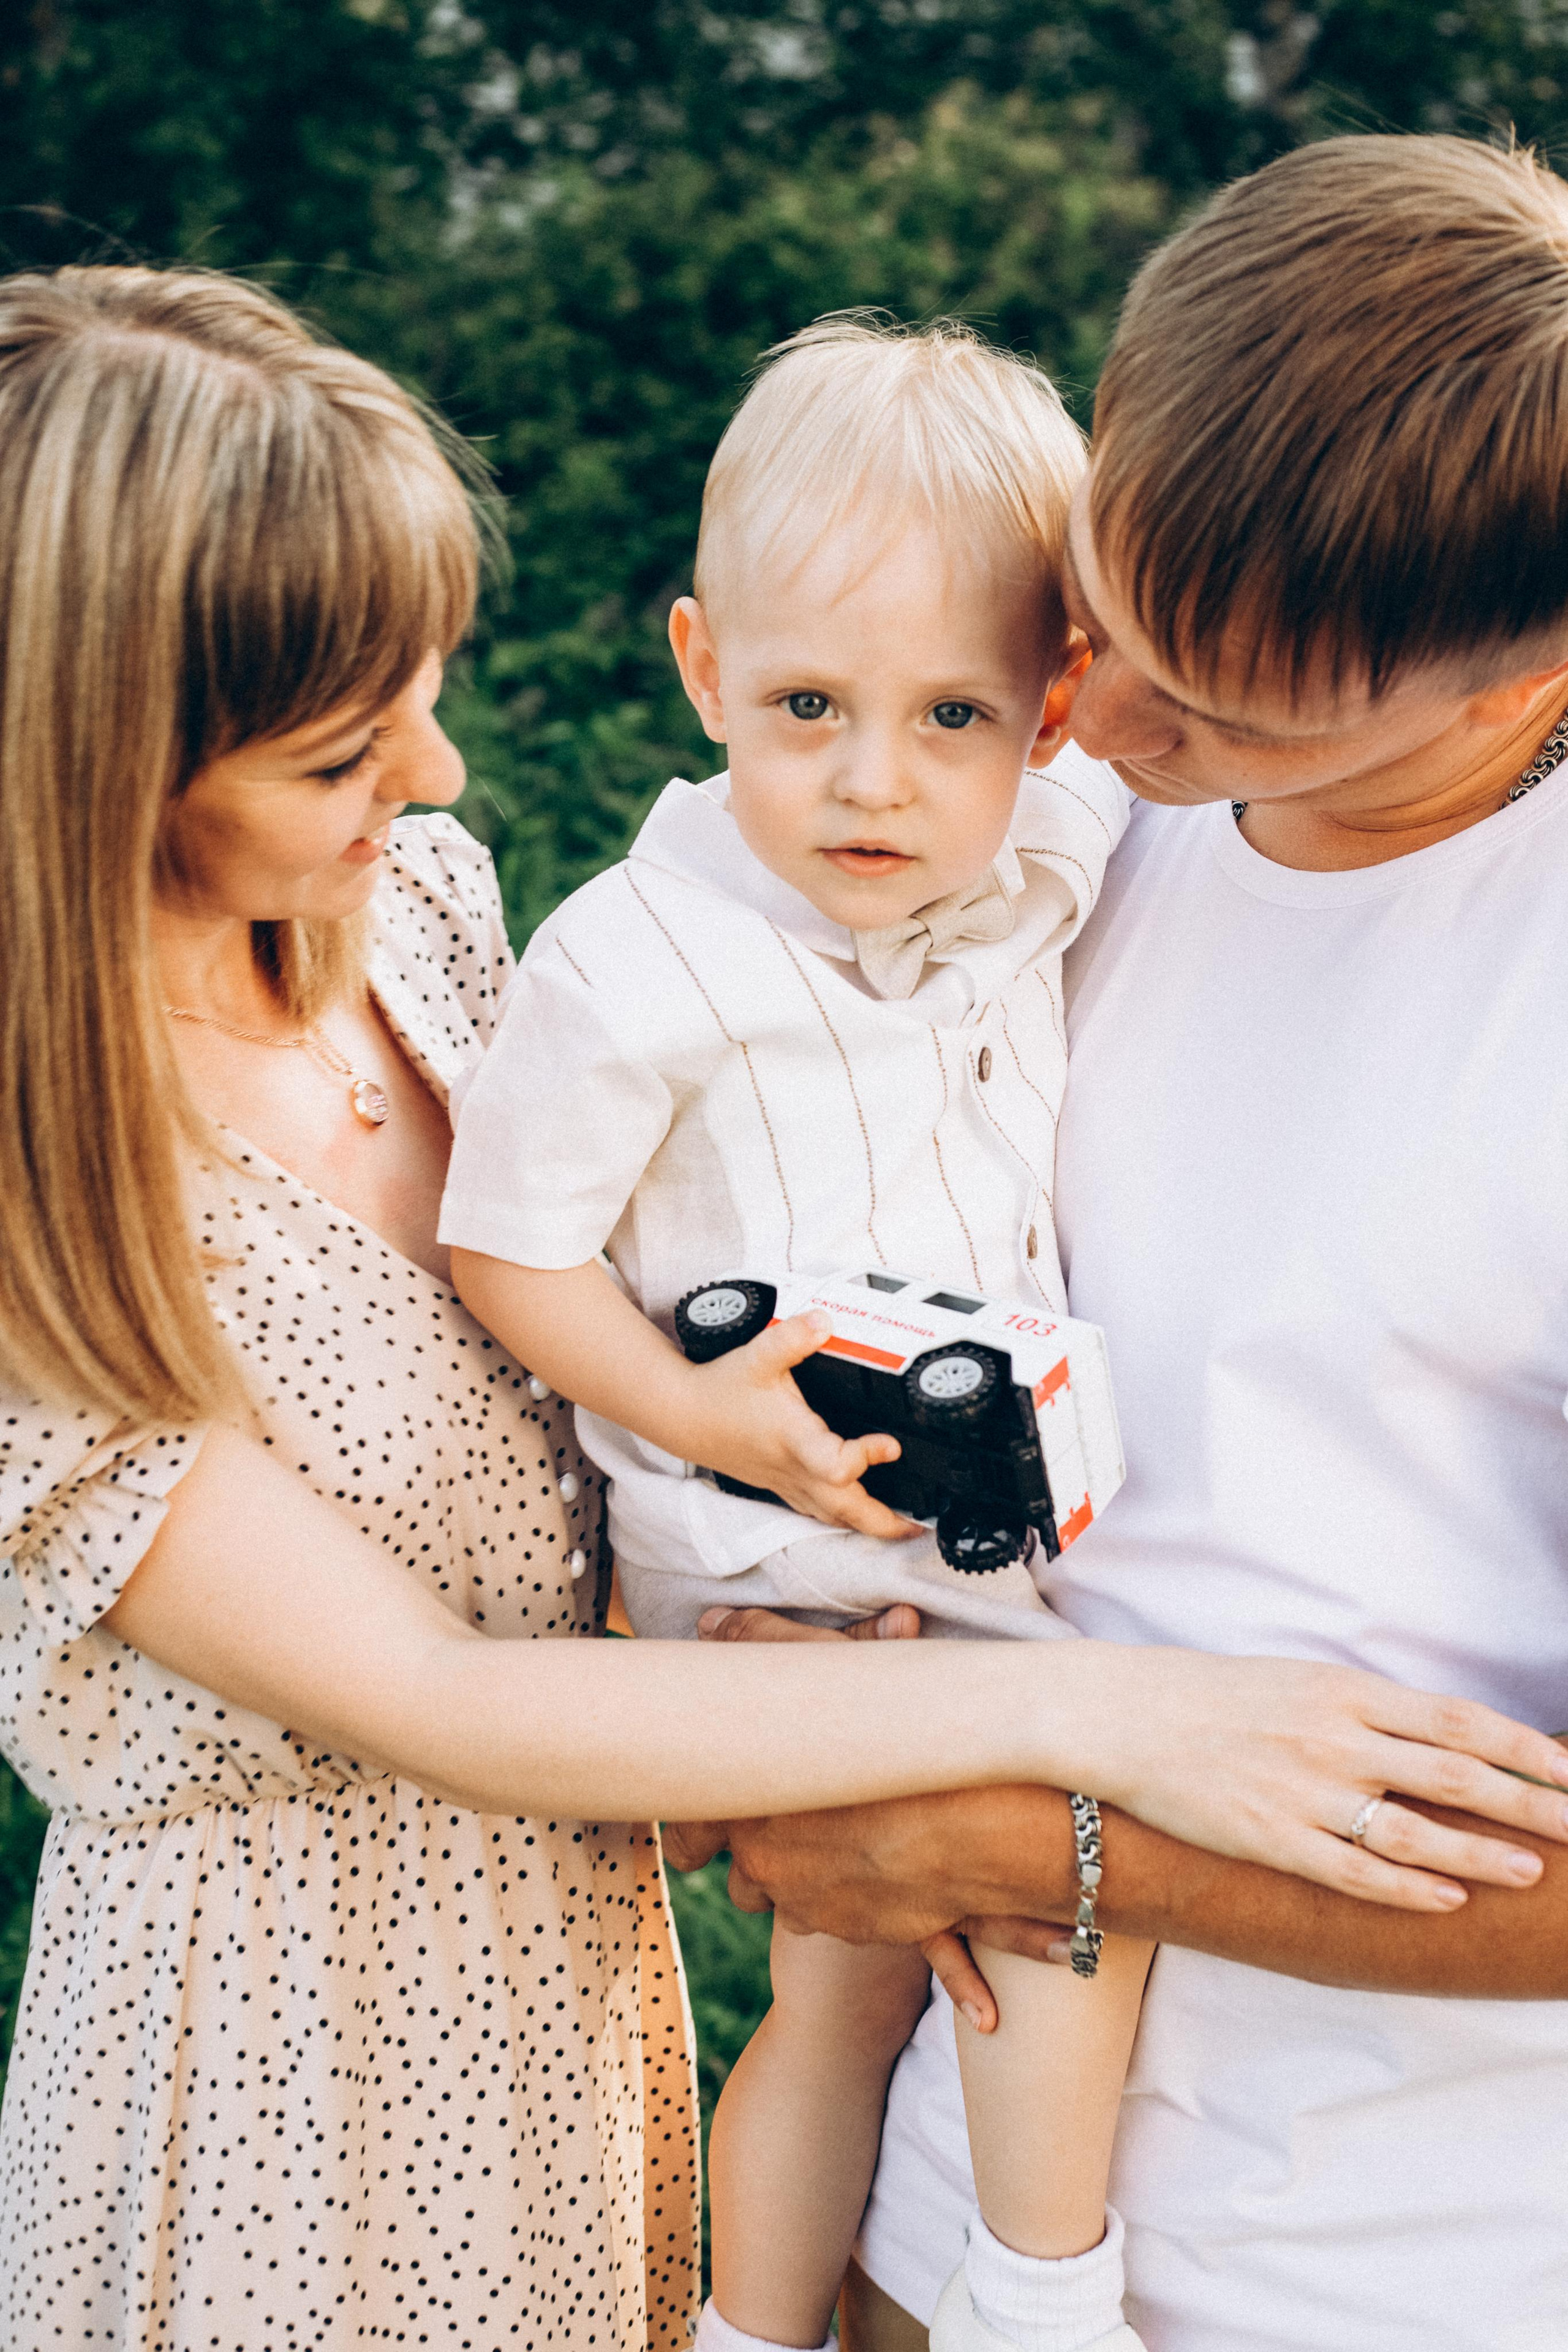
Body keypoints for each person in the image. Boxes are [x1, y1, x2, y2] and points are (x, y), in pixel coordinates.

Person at [6, 267, 1559, 2352]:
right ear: (84, 764)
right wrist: (1106, 1728)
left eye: (426, 686)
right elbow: (446, 1696)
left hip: (588, 1995)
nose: (447, 775)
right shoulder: (42, 1206)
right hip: (293, 2081)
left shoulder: (420, 919)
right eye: (341, 747)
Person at [696, 133, 1568, 2352]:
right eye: (1104, 609)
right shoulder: (1033, 827)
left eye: (1233, 708)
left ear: (1521, 676)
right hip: (935, 2197)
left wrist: (1025, 1840)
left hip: (1400, 2274)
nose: (1104, 721)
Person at [439, 315, 1157, 2352]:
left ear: (1054, 709)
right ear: (700, 670)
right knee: (1061, 1899)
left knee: (864, 1977)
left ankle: (780, 2327)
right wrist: (698, 1413)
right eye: (807, 704)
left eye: (953, 714)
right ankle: (1040, 2298)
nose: (873, 780)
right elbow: (514, 1249)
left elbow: (1147, 783)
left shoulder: (1046, 847)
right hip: (767, 1544)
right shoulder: (634, 961)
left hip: (977, 1505)